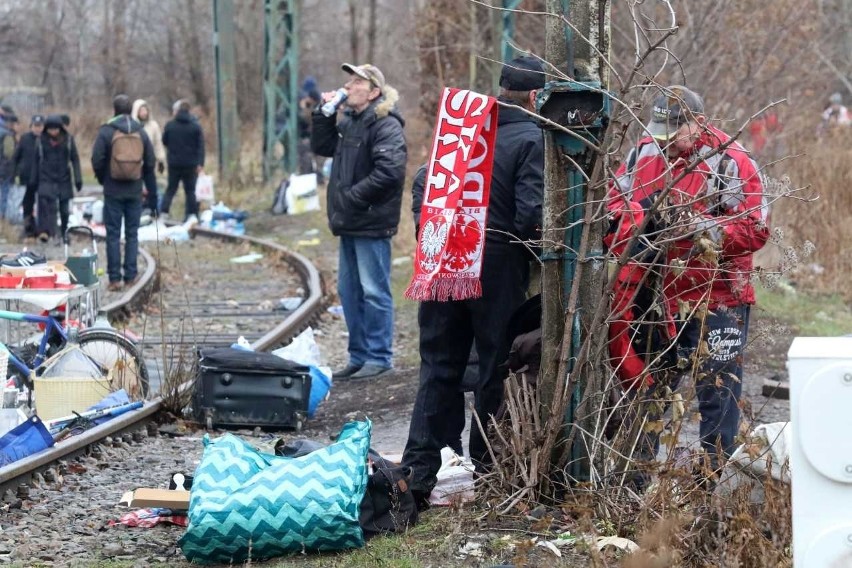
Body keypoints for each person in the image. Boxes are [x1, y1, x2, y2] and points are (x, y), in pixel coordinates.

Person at [401, 56, 545, 506]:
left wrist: (431, 237)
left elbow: (425, 184)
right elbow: (530, 217)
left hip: (444, 261)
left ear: (501, 89)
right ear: (536, 97)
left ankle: (421, 471)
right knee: (493, 366)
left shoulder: (460, 131)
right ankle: (489, 468)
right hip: (497, 264)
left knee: (438, 366)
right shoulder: (533, 138)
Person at [608, 85, 769, 479]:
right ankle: (635, 478)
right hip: (657, 296)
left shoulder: (731, 161)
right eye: (660, 133)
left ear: (698, 123)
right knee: (648, 388)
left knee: (718, 390)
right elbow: (612, 206)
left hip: (718, 298)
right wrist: (637, 220)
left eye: (673, 134)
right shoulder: (642, 152)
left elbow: (756, 229)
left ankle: (716, 481)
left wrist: (696, 227)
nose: (666, 144)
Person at [311, 63, 407, 380]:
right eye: (348, 80)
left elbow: (390, 172)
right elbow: (322, 147)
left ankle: (379, 356)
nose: (348, 86)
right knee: (349, 291)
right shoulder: (350, 122)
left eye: (357, 82)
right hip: (350, 222)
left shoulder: (385, 125)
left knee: (374, 291)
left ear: (374, 92)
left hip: (370, 221)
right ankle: (359, 356)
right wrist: (324, 114)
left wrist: (352, 196)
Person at [91, 94, 157, 291]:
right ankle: (130, 276)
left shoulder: (107, 131)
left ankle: (114, 279)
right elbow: (151, 161)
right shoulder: (141, 132)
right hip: (134, 190)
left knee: (112, 234)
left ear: (115, 109)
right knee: (132, 234)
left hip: (112, 190)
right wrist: (142, 180)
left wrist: (104, 178)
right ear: (131, 110)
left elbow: (97, 159)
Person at [29, 114, 81, 243]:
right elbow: (36, 161)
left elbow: (75, 159)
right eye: (50, 129)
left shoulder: (68, 140)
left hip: (63, 178)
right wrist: (33, 180)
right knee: (48, 207)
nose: (53, 132)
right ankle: (50, 232)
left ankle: (64, 231)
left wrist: (78, 178)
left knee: (64, 210)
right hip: (46, 177)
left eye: (56, 129)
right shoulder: (41, 141)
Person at [161, 100, 204, 222]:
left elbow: (164, 141)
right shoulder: (195, 126)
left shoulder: (170, 125)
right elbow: (200, 146)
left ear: (177, 111)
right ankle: (192, 214)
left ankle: (164, 212)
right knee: (190, 190)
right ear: (189, 111)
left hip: (174, 163)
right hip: (191, 164)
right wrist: (200, 163)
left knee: (171, 189)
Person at [132, 99, 166, 214]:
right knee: (136, 189)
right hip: (135, 163)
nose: (144, 112)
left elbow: (158, 143)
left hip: (149, 161)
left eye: (145, 110)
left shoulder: (153, 126)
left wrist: (161, 159)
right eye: (141, 110)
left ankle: (154, 210)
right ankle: (137, 210)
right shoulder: (132, 125)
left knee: (152, 188)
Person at [13, 114, 44, 238]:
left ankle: (41, 227)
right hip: (26, 177)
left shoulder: (46, 139)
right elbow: (16, 157)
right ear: (31, 126)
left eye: (40, 126)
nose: (38, 129)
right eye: (35, 126)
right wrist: (16, 172)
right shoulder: (25, 138)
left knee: (42, 203)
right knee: (27, 203)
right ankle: (28, 226)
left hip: (42, 177)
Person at [0, 110, 18, 221]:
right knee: (4, 195)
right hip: (4, 170)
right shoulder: (7, 135)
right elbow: (9, 154)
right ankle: (2, 218)